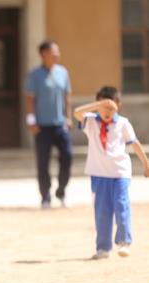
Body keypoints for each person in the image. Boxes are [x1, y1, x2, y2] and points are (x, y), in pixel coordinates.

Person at [73, 86, 149, 259]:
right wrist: (96, 105)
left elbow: (134, 143)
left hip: (120, 172)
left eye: (111, 106)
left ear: (119, 105)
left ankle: (124, 242)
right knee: (102, 211)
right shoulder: (91, 121)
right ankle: (103, 248)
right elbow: (77, 112)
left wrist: (146, 163)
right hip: (99, 174)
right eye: (102, 105)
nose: (106, 110)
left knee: (122, 205)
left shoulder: (123, 123)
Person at [26, 40, 73, 209]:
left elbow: (67, 96)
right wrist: (31, 120)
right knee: (43, 162)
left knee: (67, 157)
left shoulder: (63, 73)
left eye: (57, 52)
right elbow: (30, 99)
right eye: (54, 53)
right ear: (43, 54)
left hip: (60, 125)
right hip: (42, 126)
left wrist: (68, 118)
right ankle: (45, 196)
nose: (57, 55)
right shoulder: (35, 74)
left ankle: (61, 192)